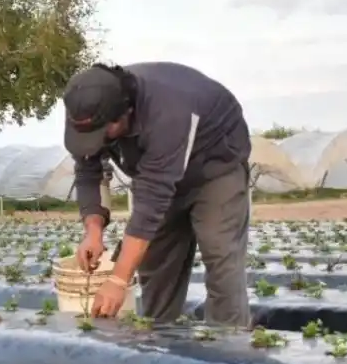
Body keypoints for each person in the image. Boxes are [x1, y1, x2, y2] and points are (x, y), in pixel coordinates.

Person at [64, 62, 252, 327]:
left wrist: (118, 279)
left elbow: (152, 200)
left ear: (125, 113)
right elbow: (88, 171)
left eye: (102, 133)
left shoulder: (168, 111)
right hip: (156, 170)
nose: (96, 140)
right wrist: (93, 232)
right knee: (156, 262)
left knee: (221, 257)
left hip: (215, 169)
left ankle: (228, 344)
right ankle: (158, 340)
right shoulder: (83, 110)